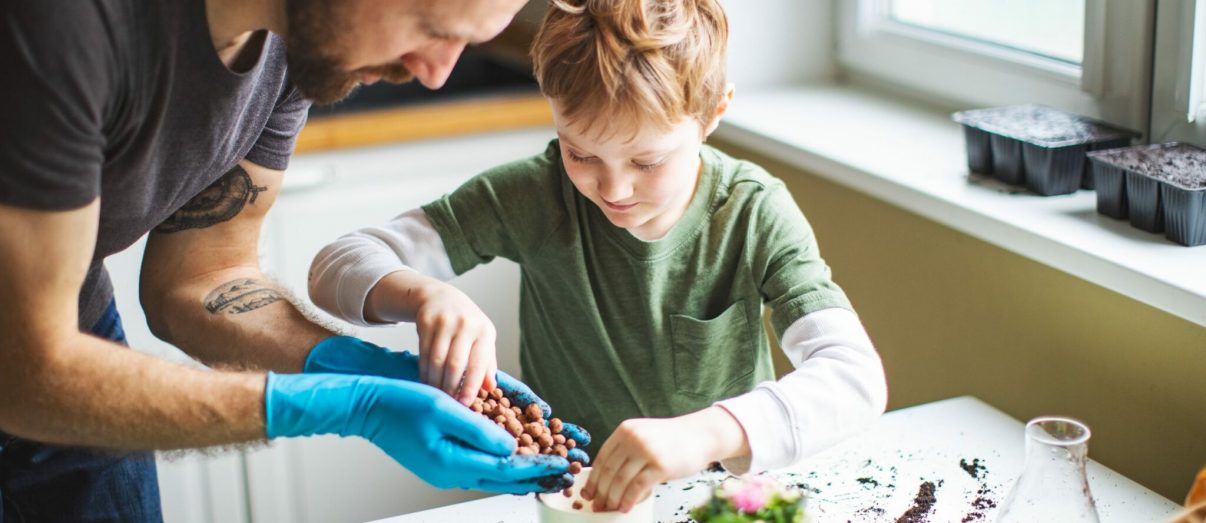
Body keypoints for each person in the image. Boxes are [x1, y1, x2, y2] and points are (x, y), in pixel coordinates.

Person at [0, 0, 585, 520]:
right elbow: (27, 374)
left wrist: (356, 366)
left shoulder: (300, 39)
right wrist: (339, 407)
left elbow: (201, 275)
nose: (436, 74)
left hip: (67, 316)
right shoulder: (65, 23)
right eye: (433, 27)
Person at [308, 0, 889, 514]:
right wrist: (423, 294)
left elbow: (855, 379)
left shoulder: (753, 213)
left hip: (720, 499)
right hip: (576, 499)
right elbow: (337, 264)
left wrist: (708, 434)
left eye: (646, 162)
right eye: (580, 153)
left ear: (713, 115)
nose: (613, 189)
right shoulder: (533, 195)